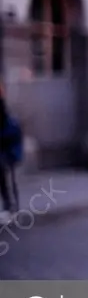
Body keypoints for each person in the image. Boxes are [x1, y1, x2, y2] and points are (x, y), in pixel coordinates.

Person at [0, 84, 22, 224]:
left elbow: (11, 135)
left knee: (8, 181)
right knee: (7, 182)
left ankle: (13, 208)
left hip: (8, 153)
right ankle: (11, 208)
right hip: (6, 153)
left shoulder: (8, 120)